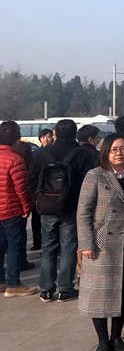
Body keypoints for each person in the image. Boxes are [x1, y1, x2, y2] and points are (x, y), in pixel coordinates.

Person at [76, 133, 124, 351]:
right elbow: (83, 212)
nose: (119, 153)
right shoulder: (95, 175)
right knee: (99, 293)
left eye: (123, 148)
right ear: (105, 151)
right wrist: (86, 243)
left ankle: (117, 336)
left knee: (121, 293)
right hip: (101, 243)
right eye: (114, 149)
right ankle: (102, 340)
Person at [27, 119, 93, 303]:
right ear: (75, 134)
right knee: (68, 247)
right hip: (71, 207)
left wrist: (39, 199)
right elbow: (88, 183)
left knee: (48, 247)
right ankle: (65, 288)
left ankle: (46, 289)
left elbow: (30, 181)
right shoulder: (82, 154)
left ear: (55, 133)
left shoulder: (40, 153)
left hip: (47, 208)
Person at [0, 121, 36, 297]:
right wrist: (26, 207)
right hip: (11, 210)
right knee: (14, 246)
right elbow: (21, 189)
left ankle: (1, 280)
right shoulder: (15, 159)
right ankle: (13, 284)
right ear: (17, 140)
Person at [29, 128, 54, 252]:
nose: (46, 139)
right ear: (39, 139)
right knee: (36, 219)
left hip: (52, 190)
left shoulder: (55, 152)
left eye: (48, 136)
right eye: (43, 137)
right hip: (39, 191)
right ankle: (37, 242)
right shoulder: (35, 154)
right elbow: (31, 175)